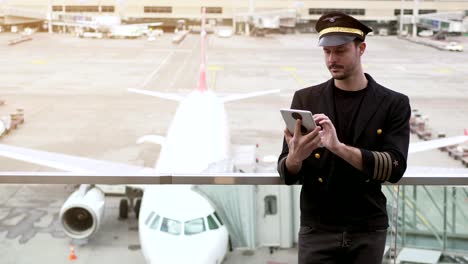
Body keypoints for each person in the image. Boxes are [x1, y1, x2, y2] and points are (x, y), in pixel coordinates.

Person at [277, 12, 411, 264]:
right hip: (317, 226)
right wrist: (295, 157)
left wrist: (337, 147)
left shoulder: (393, 103)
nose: (331, 59)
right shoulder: (306, 99)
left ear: (361, 49)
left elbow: (395, 167)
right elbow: (287, 171)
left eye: (340, 51)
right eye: (326, 52)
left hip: (367, 226)